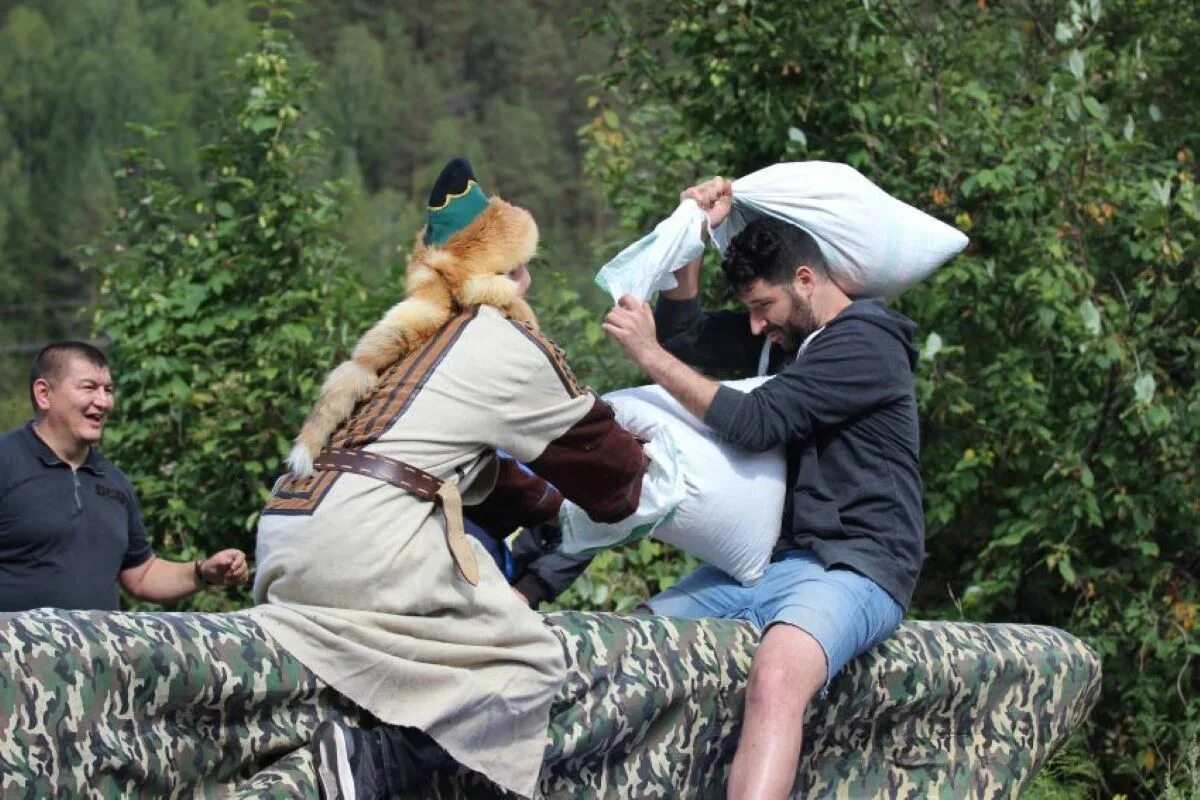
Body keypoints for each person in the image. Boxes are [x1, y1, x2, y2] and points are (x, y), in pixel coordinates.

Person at [250, 158, 648, 800]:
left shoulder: (413, 338)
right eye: (524, 266)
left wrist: (545, 506)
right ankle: (372, 761)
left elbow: (460, 467)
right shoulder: (501, 338)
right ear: (508, 274)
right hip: (365, 543)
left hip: (287, 532)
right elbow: (614, 480)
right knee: (527, 660)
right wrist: (643, 450)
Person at [603, 177, 924, 800]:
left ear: (805, 280)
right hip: (774, 568)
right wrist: (692, 234)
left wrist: (647, 355)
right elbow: (686, 336)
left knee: (777, 676)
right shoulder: (790, 335)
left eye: (762, 307)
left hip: (859, 566)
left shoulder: (866, 343)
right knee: (633, 646)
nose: (754, 326)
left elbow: (755, 422)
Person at [0, 341, 249, 612]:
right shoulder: (7, 462)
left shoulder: (113, 481)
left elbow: (141, 575)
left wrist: (203, 572)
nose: (103, 402)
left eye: (108, 390)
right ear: (44, 394)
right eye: (89, 388)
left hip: (99, 641)